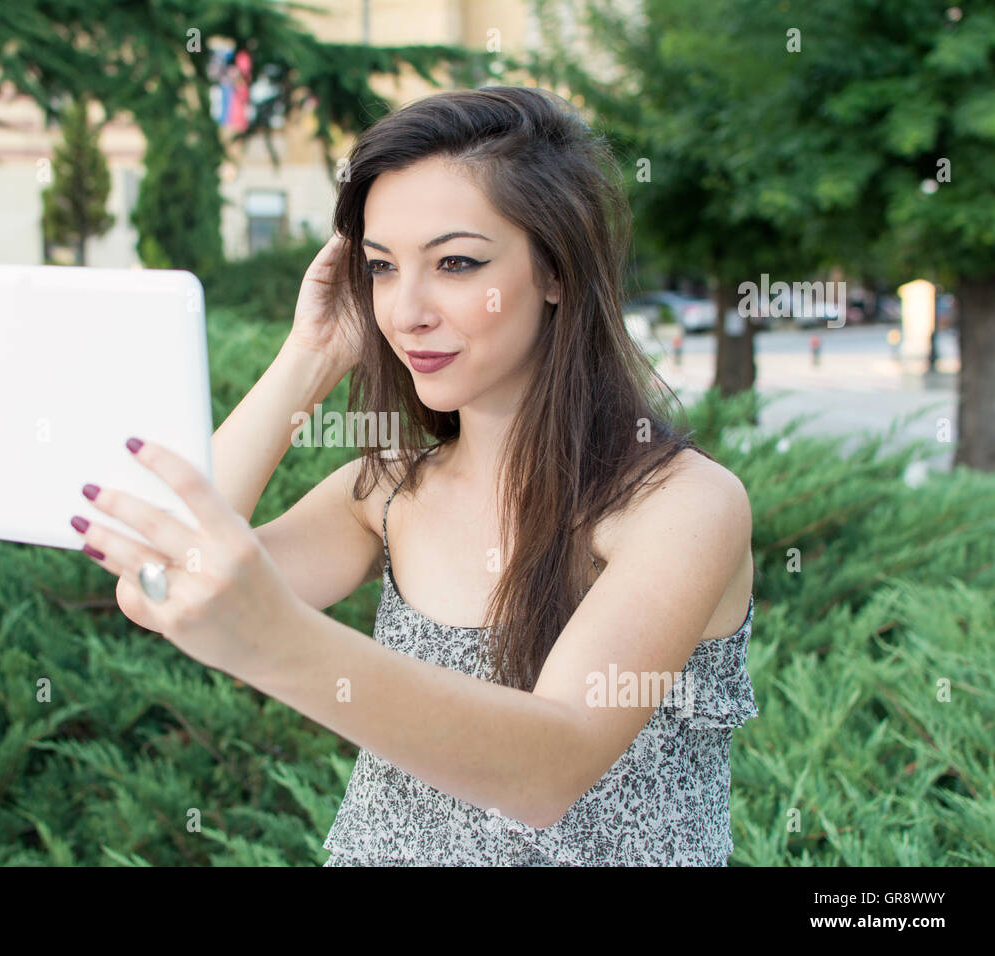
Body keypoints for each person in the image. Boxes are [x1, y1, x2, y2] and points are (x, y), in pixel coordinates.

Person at [71, 86, 758, 866]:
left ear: (557, 271)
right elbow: (156, 582)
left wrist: (280, 642)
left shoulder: (682, 506)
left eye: (456, 263)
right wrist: (311, 357)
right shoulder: (387, 491)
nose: (406, 311)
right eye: (381, 268)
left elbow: (547, 768)